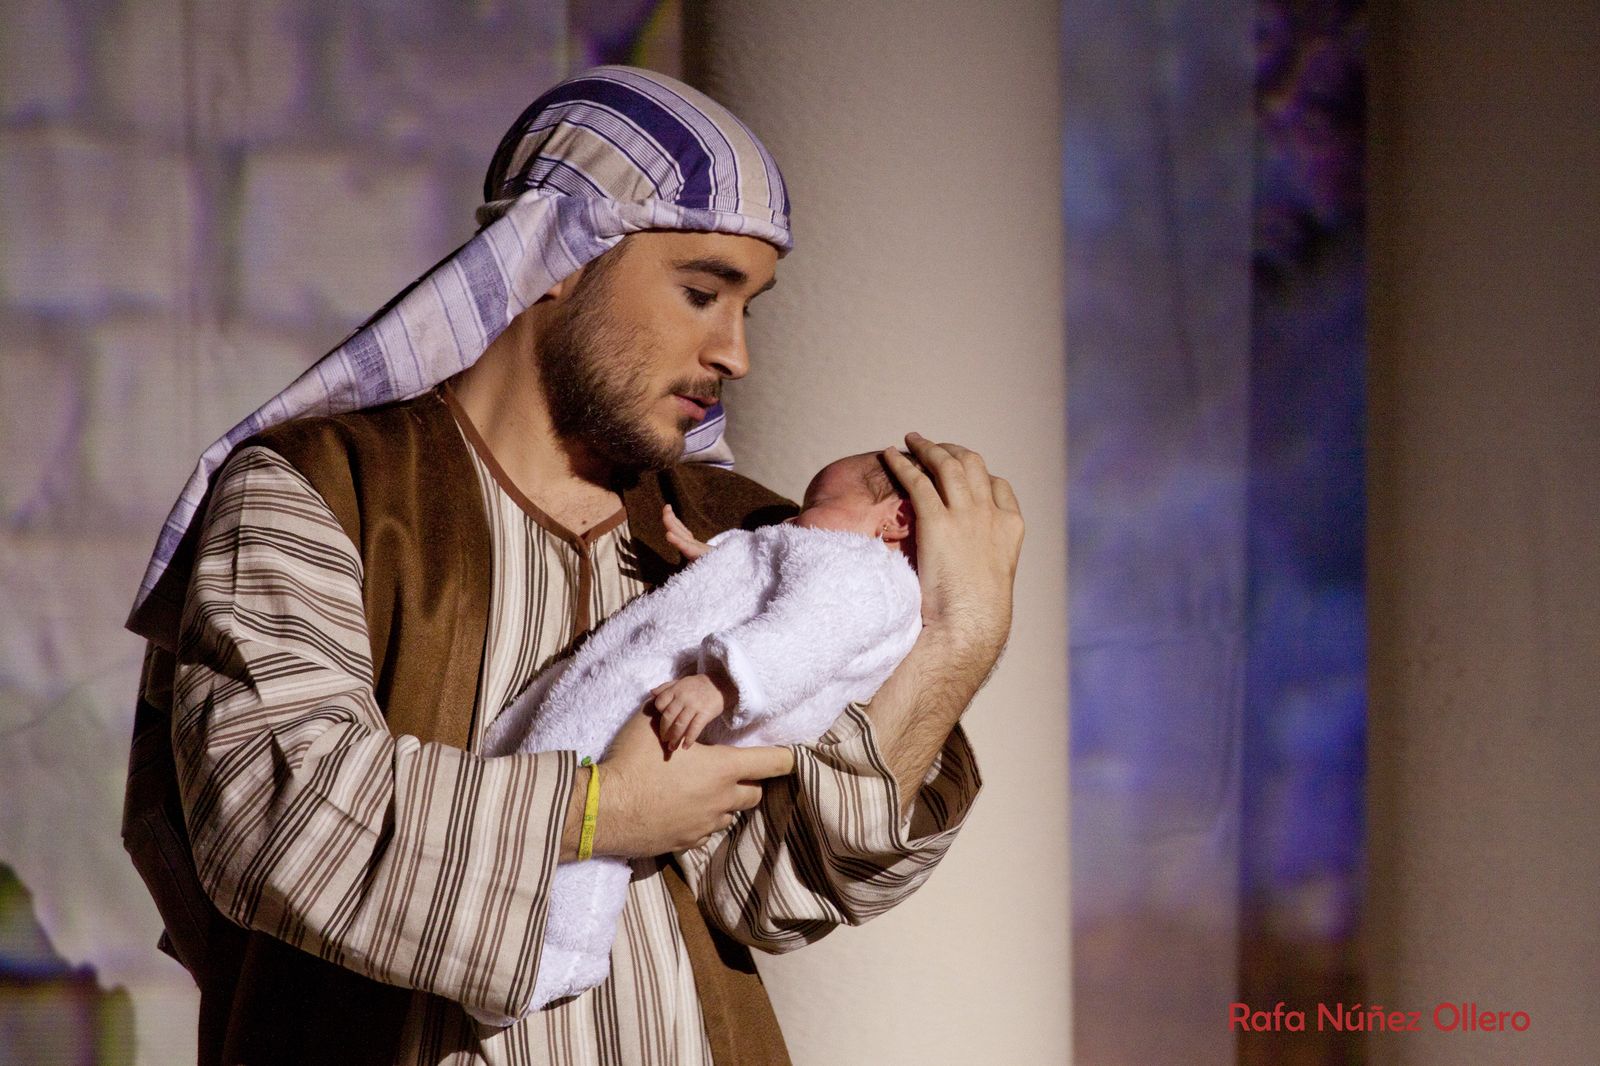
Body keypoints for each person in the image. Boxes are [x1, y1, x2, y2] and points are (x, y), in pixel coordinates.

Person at [120, 65, 1023, 1066]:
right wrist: (601, 810)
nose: (733, 353)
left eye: (749, 307)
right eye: (700, 291)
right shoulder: (319, 490)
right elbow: (276, 815)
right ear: (555, 255)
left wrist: (955, 641)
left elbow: (773, 889)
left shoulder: (741, 541)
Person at [481, 452, 925, 1012]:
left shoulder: (865, 573)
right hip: (669, 678)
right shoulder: (829, 554)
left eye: (817, 505)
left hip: (698, 698)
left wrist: (724, 684)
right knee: (545, 743)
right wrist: (710, 560)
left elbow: (804, 637)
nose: (792, 518)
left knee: (587, 786)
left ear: (896, 520)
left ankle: (561, 947)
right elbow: (759, 589)